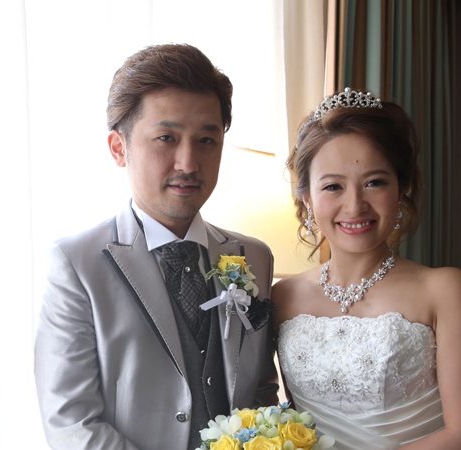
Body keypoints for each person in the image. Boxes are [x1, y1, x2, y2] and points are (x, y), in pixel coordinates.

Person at [34, 43, 279, 450]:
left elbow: (260, 393)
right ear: (119, 148)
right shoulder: (76, 264)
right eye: (166, 138)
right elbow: (72, 423)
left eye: (207, 140)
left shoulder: (254, 257)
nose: (188, 163)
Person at [273, 88, 461, 449]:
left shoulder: (446, 290)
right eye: (333, 186)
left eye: (374, 182)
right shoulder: (283, 297)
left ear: (402, 187)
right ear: (307, 198)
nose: (354, 206)